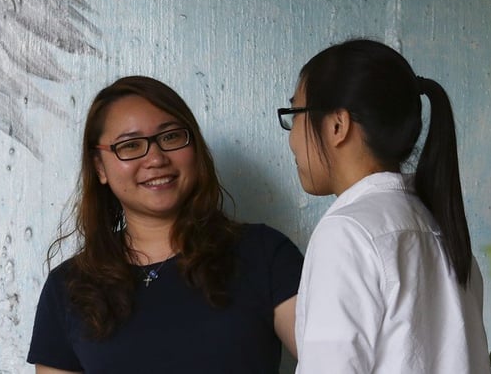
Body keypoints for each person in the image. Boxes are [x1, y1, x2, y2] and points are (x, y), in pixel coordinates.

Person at [28, 75, 303, 373]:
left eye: (170, 137)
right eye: (130, 145)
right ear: (99, 167)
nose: (156, 159)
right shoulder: (68, 287)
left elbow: (333, 360)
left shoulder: (263, 253)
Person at [278, 39, 490, 373]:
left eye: (295, 115)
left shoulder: (346, 233)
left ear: (337, 125)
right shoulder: (442, 230)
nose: (291, 139)